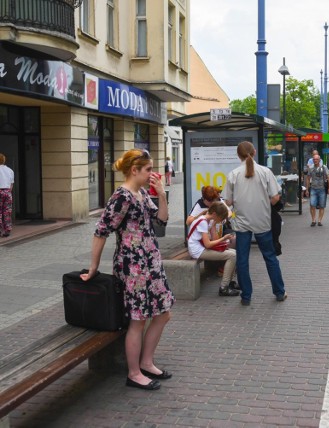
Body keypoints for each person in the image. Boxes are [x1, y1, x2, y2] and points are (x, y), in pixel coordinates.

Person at [81, 149, 174, 391]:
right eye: (148, 169)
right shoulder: (121, 197)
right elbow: (101, 231)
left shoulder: (142, 193)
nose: (152, 174)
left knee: (163, 313)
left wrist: (162, 196)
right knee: (138, 320)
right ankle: (134, 373)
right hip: (133, 266)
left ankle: (146, 362)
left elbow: (161, 221)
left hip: (151, 262)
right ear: (135, 170)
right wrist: (93, 267)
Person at [223, 141, 286, 306]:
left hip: (242, 223)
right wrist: (264, 207)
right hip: (263, 222)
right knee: (270, 257)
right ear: (255, 152)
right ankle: (279, 292)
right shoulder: (265, 172)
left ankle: (246, 296)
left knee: (243, 260)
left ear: (238, 155)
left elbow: (228, 201)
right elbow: (275, 197)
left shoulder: (233, 174)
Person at [187, 202, 240, 296]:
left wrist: (214, 225)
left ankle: (229, 283)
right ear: (215, 214)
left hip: (200, 248)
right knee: (232, 255)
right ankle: (224, 287)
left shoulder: (207, 220)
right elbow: (208, 244)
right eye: (221, 218)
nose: (222, 221)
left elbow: (214, 240)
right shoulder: (203, 222)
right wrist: (224, 238)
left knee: (233, 252)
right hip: (197, 251)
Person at [304, 154, 329, 226]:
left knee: (322, 206)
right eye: (314, 159)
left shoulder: (324, 167)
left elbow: (328, 177)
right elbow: (308, 179)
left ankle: (319, 220)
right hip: (313, 188)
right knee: (312, 205)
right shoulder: (311, 167)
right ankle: (313, 220)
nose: (315, 161)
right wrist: (307, 189)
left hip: (322, 189)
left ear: (319, 160)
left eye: (316, 159)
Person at [0, 153, 14, 238]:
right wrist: (8, 192)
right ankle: (7, 230)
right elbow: (11, 185)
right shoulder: (10, 170)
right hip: (8, 192)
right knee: (7, 212)